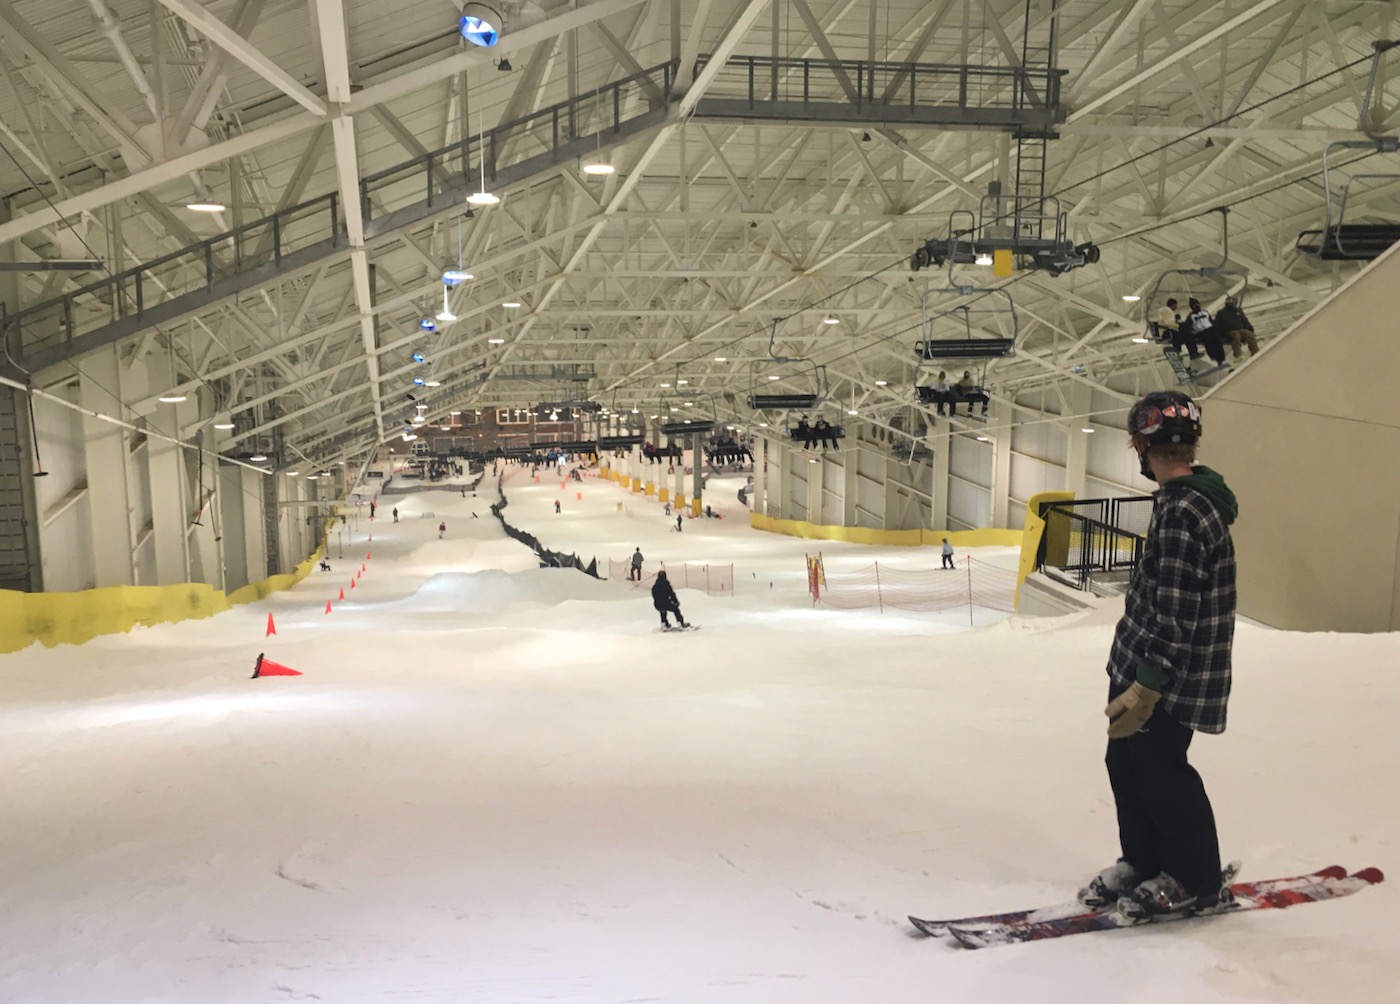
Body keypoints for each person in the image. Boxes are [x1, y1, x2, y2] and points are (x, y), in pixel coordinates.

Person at [1080, 390, 1239, 920]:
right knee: (1126, 764)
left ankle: (1196, 878)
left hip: (1162, 677)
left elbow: (1176, 613)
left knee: (1161, 772)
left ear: (1141, 447)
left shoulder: (1182, 512)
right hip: (1137, 664)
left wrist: (1147, 685)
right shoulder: (1185, 502)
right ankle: (1145, 860)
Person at [1214, 296, 1259, 361]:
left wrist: (1250, 328)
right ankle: (1238, 355)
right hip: (1229, 331)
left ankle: (1255, 352)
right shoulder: (1221, 313)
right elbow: (1217, 325)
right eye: (1233, 302)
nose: (1235, 304)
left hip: (1240, 329)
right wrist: (1220, 334)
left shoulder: (1238, 311)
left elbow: (1244, 320)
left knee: (1249, 334)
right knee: (1236, 335)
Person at [1187, 298, 1227, 367]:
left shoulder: (1205, 312)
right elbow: (1189, 327)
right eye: (1194, 305)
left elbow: (1211, 321)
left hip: (1210, 329)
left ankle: (1221, 358)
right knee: (1209, 341)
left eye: (1197, 304)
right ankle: (1214, 357)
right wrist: (1193, 335)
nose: (1197, 306)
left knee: (1217, 340)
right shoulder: (1191, 317)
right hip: (1200, 332)